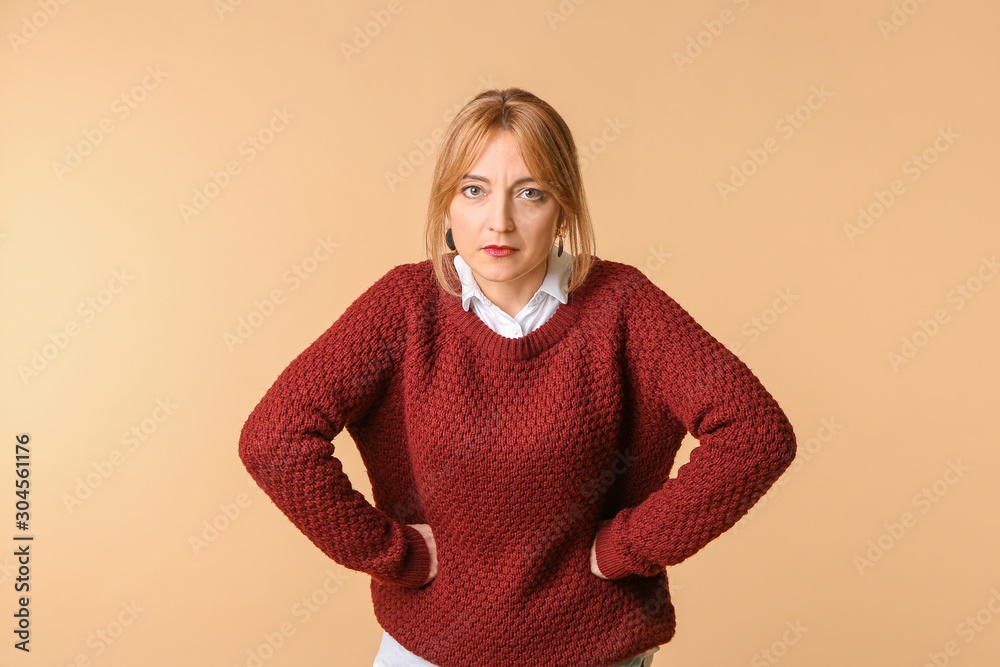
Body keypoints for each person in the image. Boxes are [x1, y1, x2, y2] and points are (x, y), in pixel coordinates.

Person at [238, 87, 797, 667]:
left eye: (529, 193)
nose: (498, 222)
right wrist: (387, 550)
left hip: (596, 650)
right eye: (474, 191)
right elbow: (273, 438)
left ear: (564, 210)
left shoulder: (624, 305)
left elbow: (756, 434)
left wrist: (631, 546)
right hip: (429, 649)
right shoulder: (403, 307)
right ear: (447, 206)